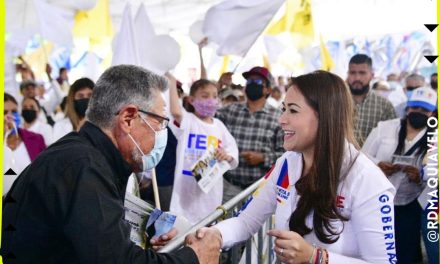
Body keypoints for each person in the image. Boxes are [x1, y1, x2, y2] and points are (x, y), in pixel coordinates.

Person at [1, 65, 221, 263]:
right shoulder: (85, 167)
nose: (162, 133)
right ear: (128, 119)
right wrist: (194, 258)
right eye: (160, 122)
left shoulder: (86, 155)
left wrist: (143, 238)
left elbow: (93, 242)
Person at [188, 71, 397, 263]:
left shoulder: (367, 180)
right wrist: (214, 235)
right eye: (283, 109)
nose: (282, 120)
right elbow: (246, 221)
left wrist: (316, 257)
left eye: (293, 111)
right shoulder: (287, 163)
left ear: (325, 116)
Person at [362, 87, 437, 264]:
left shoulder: (435, 137)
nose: (418, 112)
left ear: (432, 113)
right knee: (377, 246)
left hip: (411, 203)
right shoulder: (385, 128)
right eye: (415, 108)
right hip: (378, 200)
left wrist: (420, 175)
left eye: (424, 110)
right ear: (407, 108)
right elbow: (362, 157)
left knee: (407, 250)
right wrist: (378, 165)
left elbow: (434, 170)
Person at [168, 74, 239, 224]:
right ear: (192, 100)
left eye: (214, 96)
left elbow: (232, 151)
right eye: (205, 96)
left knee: (204, 232)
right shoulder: (188, 121)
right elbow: (175, 111)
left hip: (210, 196)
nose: (211, 100)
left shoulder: (219, 126)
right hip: (184, 194)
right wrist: (172, 82)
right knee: (181, 233)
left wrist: (226, 155)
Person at [216, 66, 284, 202]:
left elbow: (285, 155)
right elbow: (205, 118)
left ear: (268, 90)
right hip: (229, 186)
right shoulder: (230, 111)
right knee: (225, 223)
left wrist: (263, 158)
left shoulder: (279, 118)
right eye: (249, 81)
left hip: (260, 189)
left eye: (258, 82)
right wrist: (219, 85)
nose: (252, 84)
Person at [347, 54, 396, 146]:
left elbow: (390, 141)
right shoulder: (335, 102)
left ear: (372, 75)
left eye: (362, 73)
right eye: (353, 73)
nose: (357, 78)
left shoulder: (384, 106)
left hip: (370, 160)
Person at [3, 93, 46, 195]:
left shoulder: (36, 139)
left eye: (14, 111)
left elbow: (45, 173)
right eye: (4, 112)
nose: (10, 117)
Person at [53, 77, 94, 141]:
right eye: (80, 96)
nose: (85, 99)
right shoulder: (61, 126)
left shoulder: (104, 124)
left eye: (90, 95)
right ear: (72, 100)